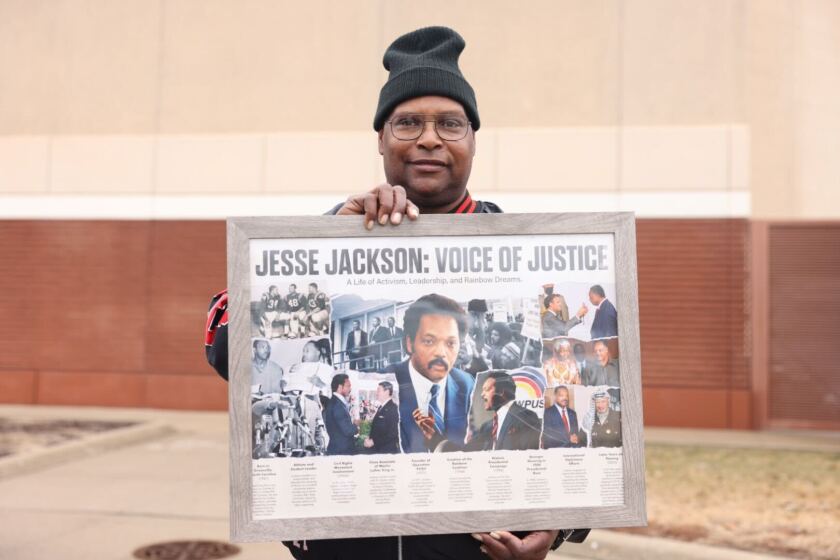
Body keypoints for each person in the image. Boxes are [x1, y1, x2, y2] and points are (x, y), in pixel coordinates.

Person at [204, 25, 588, 560]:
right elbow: (227, 349)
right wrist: (328, 244)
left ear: (473, 140)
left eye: (450, 124)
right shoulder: (330, 240)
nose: (429, 138)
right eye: (408, 122)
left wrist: (559, 524)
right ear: (381, 139)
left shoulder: (530, 257)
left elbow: (565, 418)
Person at [385, 294, 474, 454]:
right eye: (429, 341)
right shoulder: (386, 382)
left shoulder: (466, 384)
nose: (441, 353)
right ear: (409, 343)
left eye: (450, 343)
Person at [325, 374, 358, 455]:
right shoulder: (337, 405)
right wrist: (356, 425)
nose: (350, 389)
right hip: (342, 451)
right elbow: (348, 430)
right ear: (340, 387)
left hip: (337, 449)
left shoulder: (335, 402)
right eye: (348, 386)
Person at [364, 381, 400, 453]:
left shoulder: (393, 408)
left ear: (386, 392)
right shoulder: (382, 406)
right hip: (379, 449)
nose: (376, 393)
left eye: (378, 390)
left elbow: (393, 433)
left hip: (386, 450)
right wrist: (369, 438)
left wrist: (373, 442)